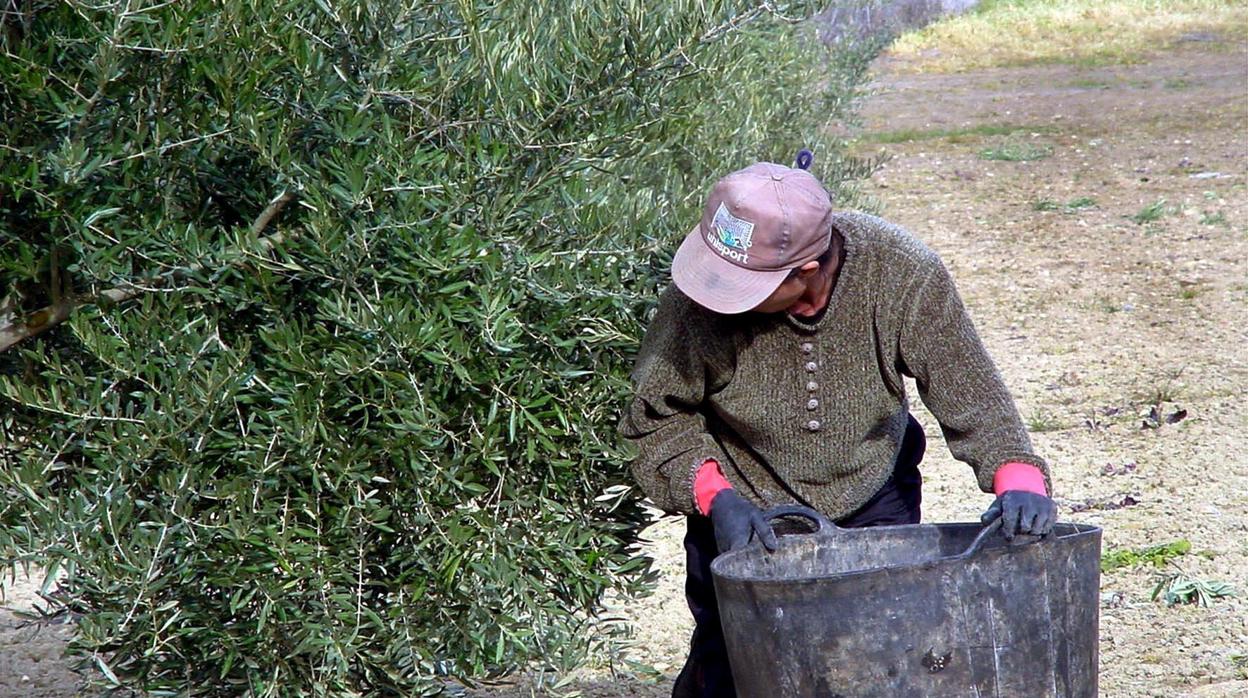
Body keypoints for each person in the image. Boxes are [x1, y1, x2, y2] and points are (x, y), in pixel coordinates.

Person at [618, 151, 1057, 698]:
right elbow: (654, 417)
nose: (718, 294)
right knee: (733, 665)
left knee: (875, 660)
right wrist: (715, 497)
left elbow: (971, 388)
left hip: (875, 495)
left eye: (742, 285)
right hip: (742, 510)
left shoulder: (900, 271)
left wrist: (1020, 480)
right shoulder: (697, 301)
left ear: (805, 272)